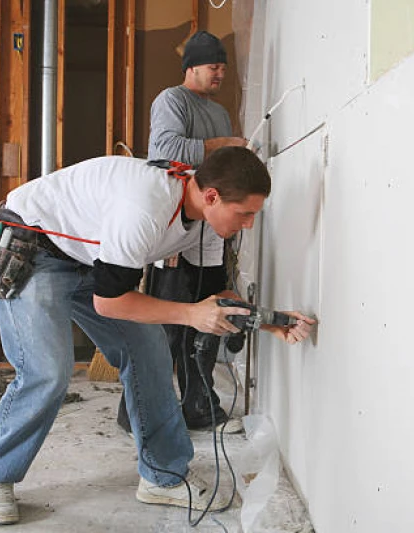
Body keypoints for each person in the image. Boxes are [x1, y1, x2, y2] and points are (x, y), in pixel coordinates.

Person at [0, 147, 316, 525]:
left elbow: (214, 297)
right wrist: (190, 315)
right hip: (34, 246)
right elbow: (109, 302)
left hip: (91, 257)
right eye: (244, 213)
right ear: (212, 196)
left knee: (150, 352)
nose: (248, 224)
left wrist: (270, 322)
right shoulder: (145, 209)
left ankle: (163, 476)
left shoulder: (208, 224)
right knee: (47, 371)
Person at [117, 31, 248, 437]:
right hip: (176, 228)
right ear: (191, 67)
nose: (220, 74)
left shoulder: (219, 113)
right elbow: (165, 150)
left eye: (223, 68)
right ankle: (136, 412)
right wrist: (224, 145)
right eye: (213, 67)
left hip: (210, 232)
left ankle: (198, 404)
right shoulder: (171, 100)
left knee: (206, 320)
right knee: (166, 330)